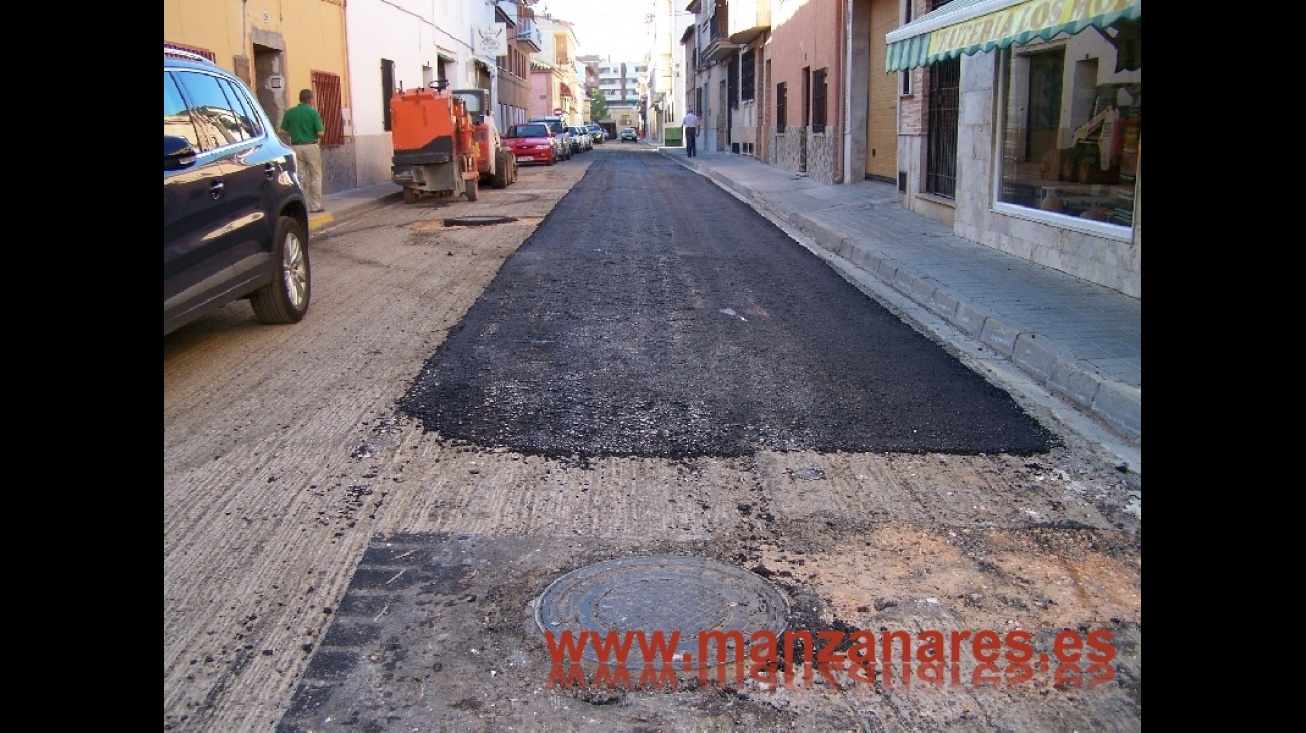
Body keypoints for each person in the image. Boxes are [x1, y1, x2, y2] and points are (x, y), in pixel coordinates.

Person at [281, 89, 326, 212]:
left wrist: (294, 133)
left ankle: (302, 206)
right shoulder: (313, 113)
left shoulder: (290, 113)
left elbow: (282, 131)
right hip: (311, 146)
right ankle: (315, 205)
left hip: (295, 146)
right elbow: (320, 133)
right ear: (311, 100)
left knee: (300, 177)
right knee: (315, 175)